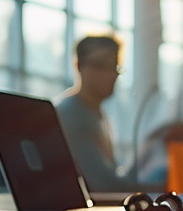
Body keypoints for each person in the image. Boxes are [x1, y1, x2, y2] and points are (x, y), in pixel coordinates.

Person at [55, 34, 130, 193]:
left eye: (115, 67)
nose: (111, 75)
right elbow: (103, 184)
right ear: (79, 66)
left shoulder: (96, 113)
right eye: (102, 65)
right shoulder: (71, 115)